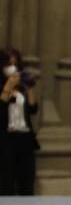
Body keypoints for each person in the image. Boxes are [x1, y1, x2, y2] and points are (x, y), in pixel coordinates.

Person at [0, 48, 39, 195]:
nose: (12, 68)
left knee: (27, 183)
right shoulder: (2, 87)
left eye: (15, 64)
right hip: (5, 141)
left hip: (25, 139)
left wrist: (29, 87)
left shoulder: (21, 87)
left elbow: (33, 109)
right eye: (8, 64)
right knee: (6, 184)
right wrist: (8, 86)